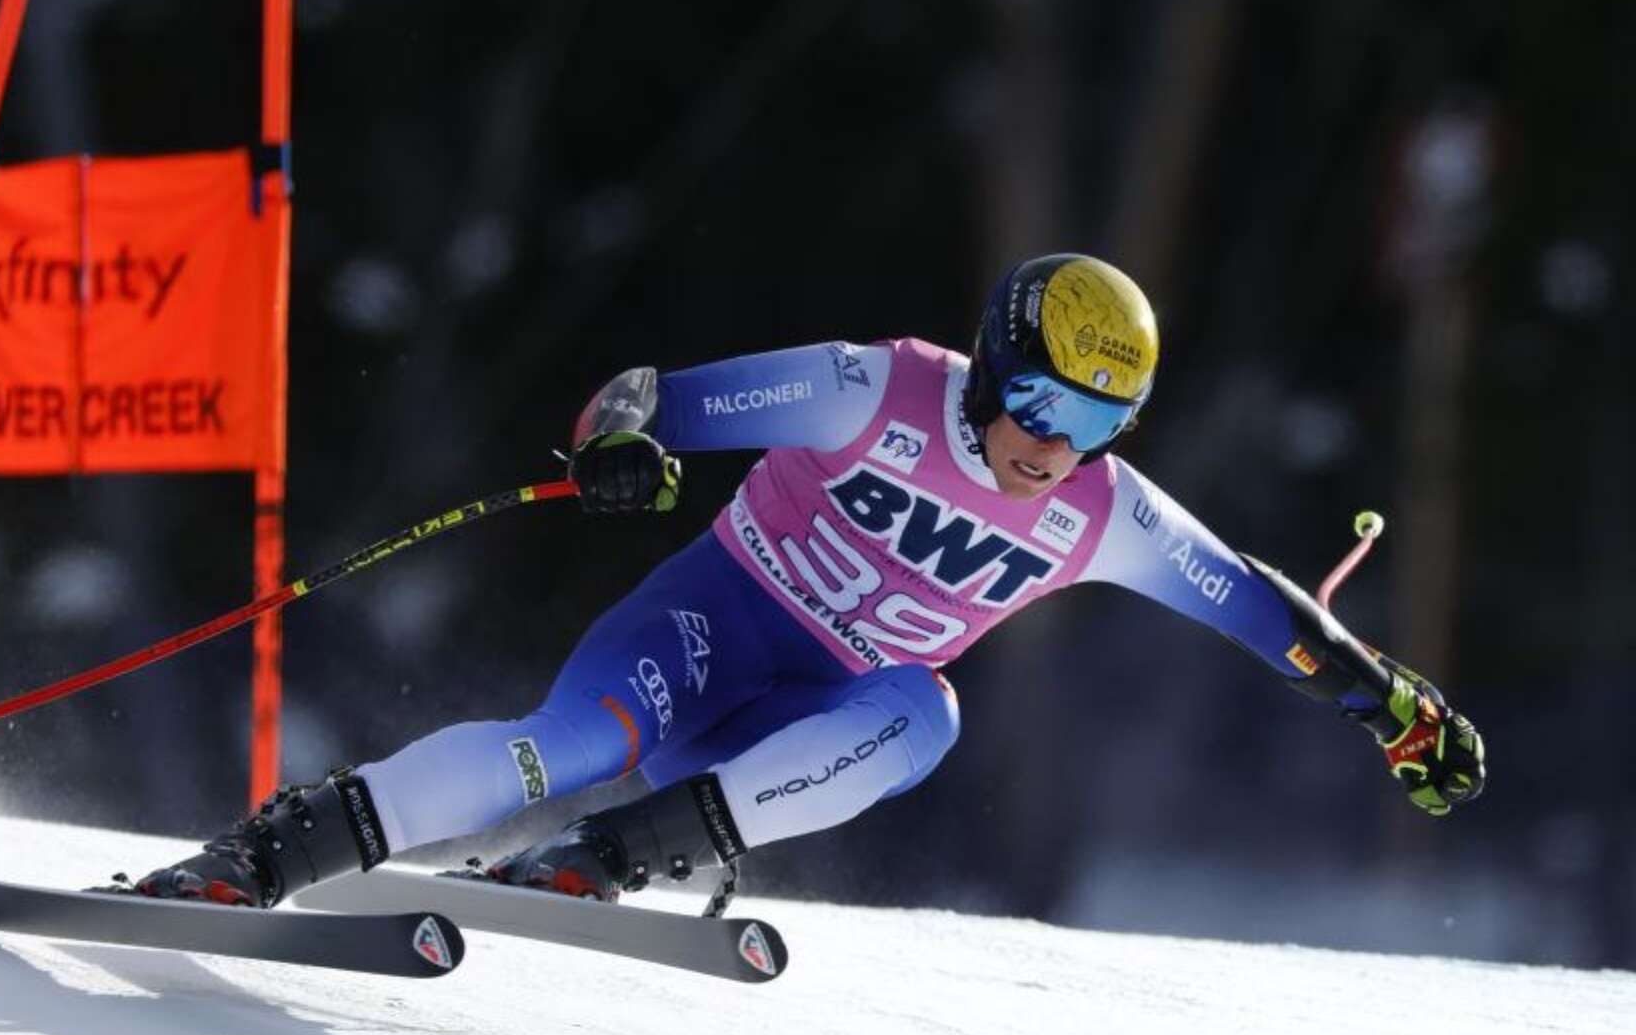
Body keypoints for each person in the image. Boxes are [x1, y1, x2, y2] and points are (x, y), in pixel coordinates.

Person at [133, 253, 1487, 908]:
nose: (1050, 452)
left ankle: (610, 862)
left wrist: (1389, 708)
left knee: (929, 713)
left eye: (1095, 427)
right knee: (565, 745)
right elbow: (649, 398)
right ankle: (269, 855)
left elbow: (1250, 597)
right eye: (1040, 407)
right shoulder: (869, 389)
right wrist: (619, 446)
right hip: (704, 633)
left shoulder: (1102, 514)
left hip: (810, 722)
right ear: (996, 365)